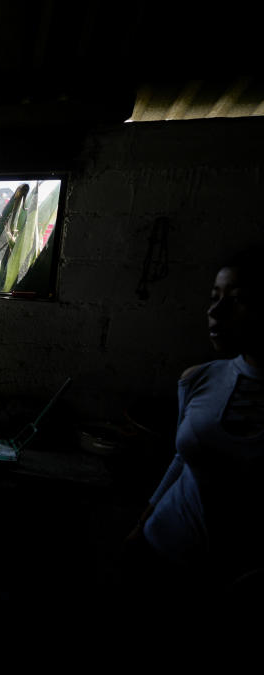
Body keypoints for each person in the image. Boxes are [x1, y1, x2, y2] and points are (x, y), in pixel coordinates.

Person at [123, 249, 264, 617]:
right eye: (214, 298)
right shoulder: (199, 379)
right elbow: (182, 458)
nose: (214, 313)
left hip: (235, 578)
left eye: (239, 302)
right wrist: (142, 523)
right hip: (162, 545)